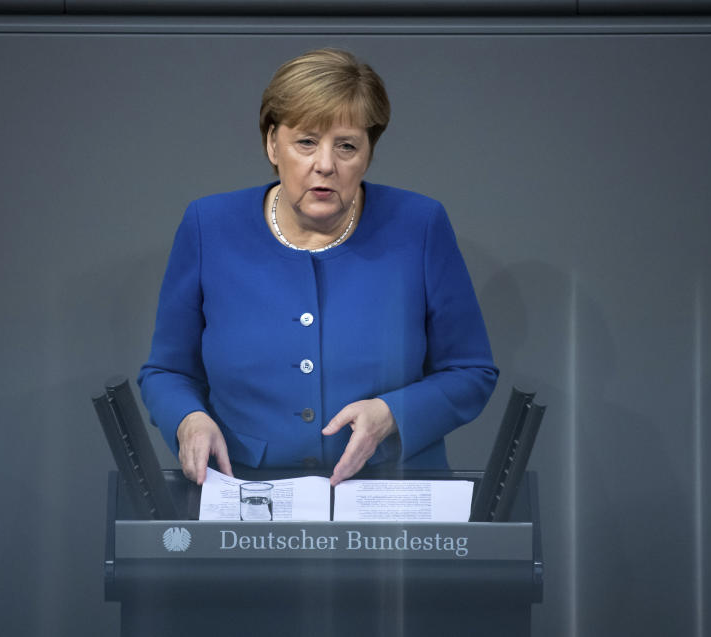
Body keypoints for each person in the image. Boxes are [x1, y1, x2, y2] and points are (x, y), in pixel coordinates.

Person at [138, 48, 498, 487]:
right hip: (249, 493)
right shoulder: (208, 226)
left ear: (368, 154)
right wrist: (188, 419)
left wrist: (392, 414)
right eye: (306, 142)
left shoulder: (419, 226)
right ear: (273, 143)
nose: (325, 164)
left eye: (346, 145)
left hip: (392, 497)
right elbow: (167, 372)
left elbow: (470, 371)